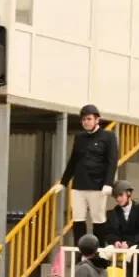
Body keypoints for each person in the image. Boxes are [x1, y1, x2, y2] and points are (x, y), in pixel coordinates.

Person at [52, 104, 119, 247]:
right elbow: (73, 160)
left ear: (97, 120)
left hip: (98, 186)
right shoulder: (79, 137)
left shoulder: (108, 136)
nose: (86, 122)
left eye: (89, 119)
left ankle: (99, 251)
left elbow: (112, 161)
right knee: (78, 218)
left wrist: (108, 183)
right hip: (79, 185)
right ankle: (80, 250)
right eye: (83, 119)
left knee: (98, 218)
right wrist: (63, 182)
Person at [103, 180, 139, 249]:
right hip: (119, 246)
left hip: (136, 245)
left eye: (121, 195)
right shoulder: (113, 212)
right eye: (116, 196)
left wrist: (129, 243)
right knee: (108, 249)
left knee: (134, 249)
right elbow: (109, 233)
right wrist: (115, 241)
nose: (118, 199)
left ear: (129, 193)